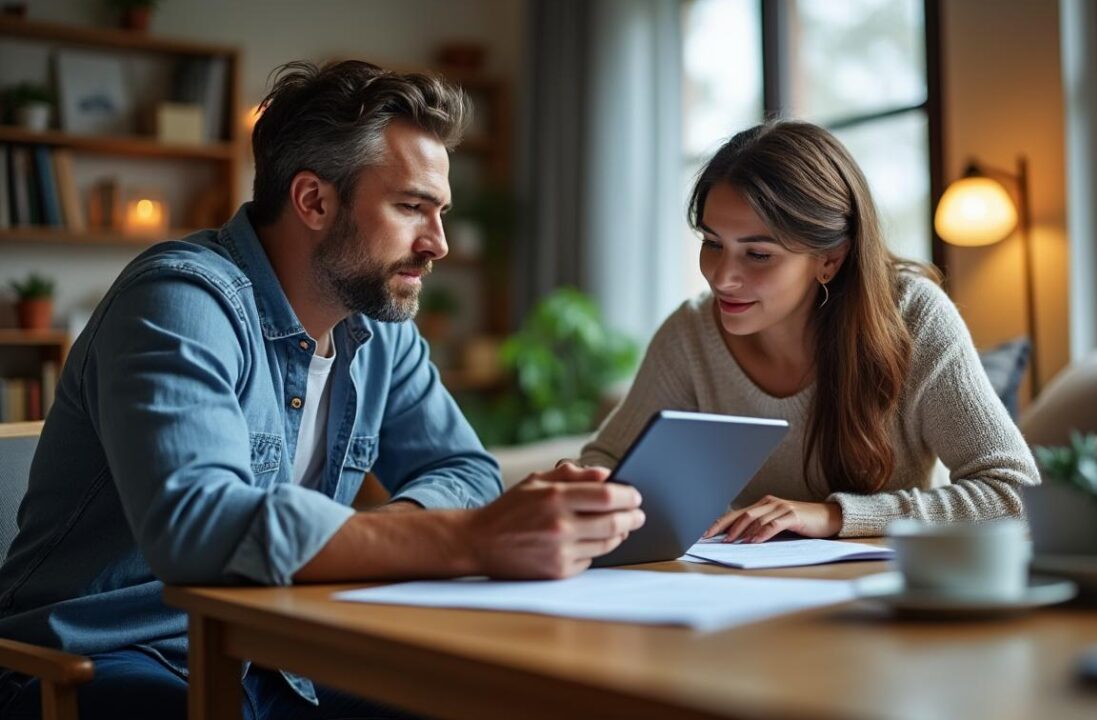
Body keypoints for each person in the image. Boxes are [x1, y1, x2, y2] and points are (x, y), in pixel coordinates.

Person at [0, 61, 643, 720]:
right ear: (313, 201)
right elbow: (200, 529)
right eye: (412, 207)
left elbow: (464, 469)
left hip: (278, 649)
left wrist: (396, 535)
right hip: (104, 658)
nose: (439, 244)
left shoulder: (376, 323)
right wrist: (469, 539)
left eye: (440, 212)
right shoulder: (178, 303)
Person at [569, 121, 1037, 543]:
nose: (721, 276)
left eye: (758, 254)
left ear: (829, 259)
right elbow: (607, 458)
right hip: (743, 597)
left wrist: (835, 516)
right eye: (713, 244)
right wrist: (587, 487)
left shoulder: (914, 317)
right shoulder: (691, 333)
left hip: (887, 604)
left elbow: (1016, 495)